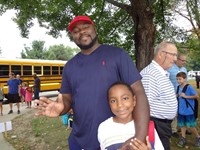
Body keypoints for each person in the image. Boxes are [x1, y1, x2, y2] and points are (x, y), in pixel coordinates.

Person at [34, 15, 149, 150]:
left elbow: (138, 92)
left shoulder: (117, 55)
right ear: (72, 37)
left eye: (85, 27)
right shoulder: (70, 66)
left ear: (94, 29)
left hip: (116, 140)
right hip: (79, 142)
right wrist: (61, 108)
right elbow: (66, 99)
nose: (81, 32)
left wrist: (139, 139)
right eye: (76, 31)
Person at [98, 81, 164, 150]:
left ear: (134, 100)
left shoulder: (147, 126)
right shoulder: (104, 128)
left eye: (125, 98)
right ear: (109, 104)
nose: (120, 105)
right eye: (113, 101)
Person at [140, 41, 178, 150]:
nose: (175, 59)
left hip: (161, 126)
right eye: (173, 54)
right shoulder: (150, 74)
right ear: (161, 54)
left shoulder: (160, 73)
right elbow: (144, 106)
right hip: (155, 126)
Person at [176, 72, 200, 148]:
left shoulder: (189, 87)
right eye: (177, 79)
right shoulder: (178, 87)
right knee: (182, 125)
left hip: (188, 111)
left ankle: (198, 138)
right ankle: (183, 138)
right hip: (180, 111)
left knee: (191, 126)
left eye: (180, 79)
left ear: (184, 78)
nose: (178, 81)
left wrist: (186, 96)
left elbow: (196, 96)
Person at [167, 53, 188, 137]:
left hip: (183, 95)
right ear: (177, 60)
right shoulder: (169, 69)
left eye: (185, 61)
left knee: (183, 111)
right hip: (173, 95)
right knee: (174, 112)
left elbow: (186, 82)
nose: (184, 62)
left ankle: (182, 128)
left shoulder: (184, 69)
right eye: (183, 60)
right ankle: (173, 130)